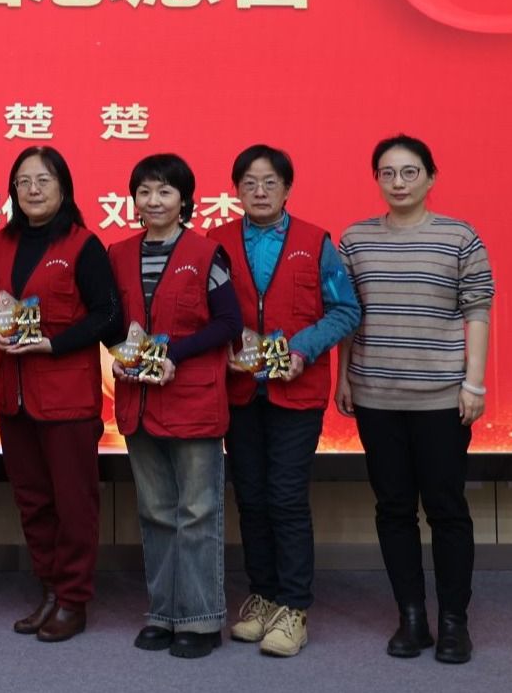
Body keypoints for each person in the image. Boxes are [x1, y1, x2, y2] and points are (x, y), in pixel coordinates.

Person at [336, 134, 492, 666]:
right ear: (376, 179)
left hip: (442, 398)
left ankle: (453, 622)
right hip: (376, 396)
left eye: (409, 172)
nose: (398, 182)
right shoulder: (355, 239)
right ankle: (411, 618)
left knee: (447, 510)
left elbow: (478, 310)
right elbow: (347, 315)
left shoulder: (459, 237)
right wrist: (344, 377)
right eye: (387, 173)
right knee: (393, 509)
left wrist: (474, 383)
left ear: (430, 177)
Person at [215, 145, 359, 658]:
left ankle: (294, 608)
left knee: (286, 498)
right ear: (236, 190)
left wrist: (302, 349)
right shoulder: (215, 244)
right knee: (250, 498)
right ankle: (263, 596)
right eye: (249, 183)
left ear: (287, 188)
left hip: (296, 392)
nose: (259, 191)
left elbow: (345, 311)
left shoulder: (316, 242)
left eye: (270, 182)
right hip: (238, 393)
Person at [0, 145, 120, 644]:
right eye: (23, 181)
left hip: (66, 396)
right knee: (33, 499)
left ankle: (73, 598)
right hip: (12, 395)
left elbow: (108, 315)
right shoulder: (0, 243)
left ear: (63, 188)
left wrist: (53, 343)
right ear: (13, 190)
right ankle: (50, 589)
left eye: (44, 180)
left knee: (74, 502)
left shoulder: (84, 245)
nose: (33, 189)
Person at [109, 153, 241, 660]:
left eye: (165, 191)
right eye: (144, 191)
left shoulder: (207, 254)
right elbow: (112, 322)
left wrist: (173, 355)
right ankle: (163, 613)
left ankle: (201, 619)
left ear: (184, 199)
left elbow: (228, 323)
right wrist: (121, 358)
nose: (154, 200)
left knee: (197, 511)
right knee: (156, 511)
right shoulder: (119, 253)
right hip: (139, 399)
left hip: (193, 399)